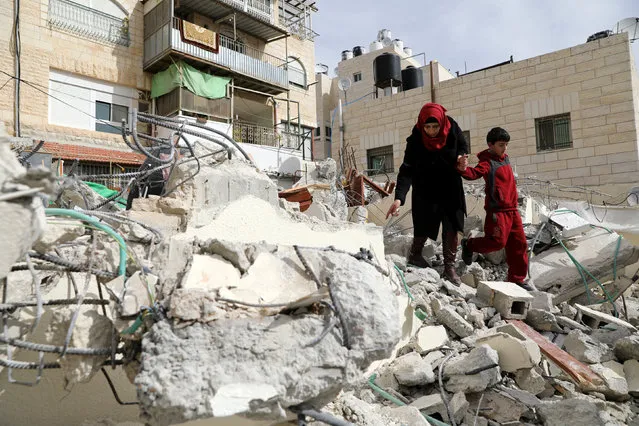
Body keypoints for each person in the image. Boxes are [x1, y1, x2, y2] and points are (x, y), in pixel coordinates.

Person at [386, 103, 469, 285]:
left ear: (442, 123)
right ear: (422, 125)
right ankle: (416, 254)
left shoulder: (452, 128)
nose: (431, 131)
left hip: (450, 186)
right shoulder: (415, 140)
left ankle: (449, 266)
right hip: (425, 188)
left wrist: (461, 157)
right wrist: (399, 198)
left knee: (452, 224)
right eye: (427, 127)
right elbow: (406, 170)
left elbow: (463, 146)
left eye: (435, 126)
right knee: (423, 222)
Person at [457, 127, 532, 290]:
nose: (504, 148)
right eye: (501, 145)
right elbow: (474, 173)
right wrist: (462, 169)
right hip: (497, 211)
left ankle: (517, 280)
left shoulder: (505, 159)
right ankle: (469, 245)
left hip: (512, 210)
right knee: (497, 242)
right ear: (490, 145)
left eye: (506, 144)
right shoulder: (487, 162)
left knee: (519, 245)